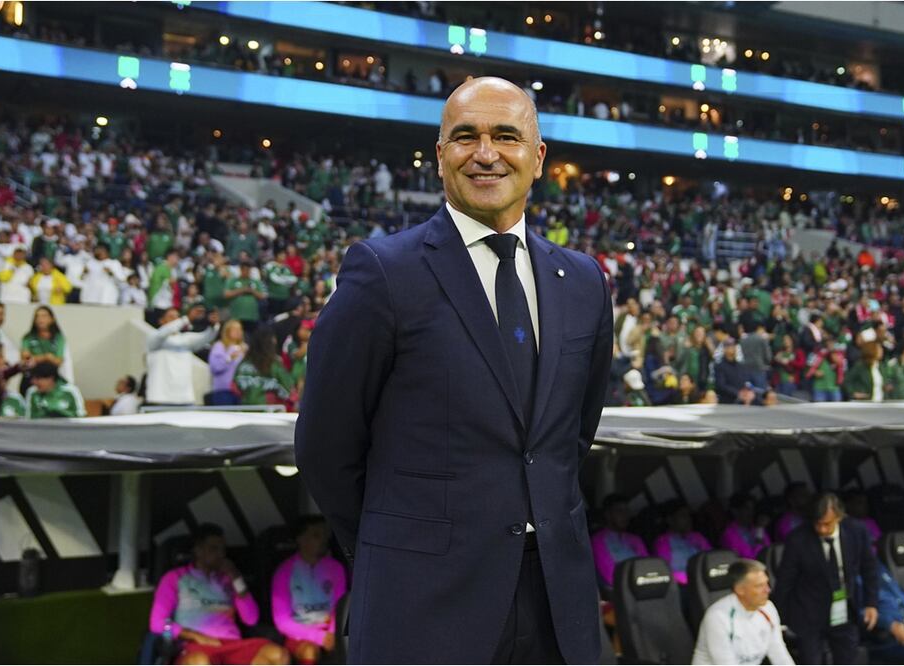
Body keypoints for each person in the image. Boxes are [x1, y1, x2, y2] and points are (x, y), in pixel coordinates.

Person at [295, 77, 613, 664]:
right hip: (422, 603)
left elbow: (570, 438)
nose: (486, 153)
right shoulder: (383, 272)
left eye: (506, 136)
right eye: (466, 137)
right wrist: (396, 550)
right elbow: (325, 446)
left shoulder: (584, 281)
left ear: (538, 157)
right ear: (440, 156)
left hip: (556, 603)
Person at [149, 523, 288, 666]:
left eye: (222, 549)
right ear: (198, 550)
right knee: (200, 662)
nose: (220, 555)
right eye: (214, 549)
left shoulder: (228, 580)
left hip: (231, 644)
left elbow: (251, 619)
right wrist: (194, 636)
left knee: (277, 654)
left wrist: (236, 578)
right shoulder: (175, 578)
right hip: (196, 645)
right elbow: (157, 623)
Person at [772, 493, 879, 665]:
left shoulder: (856, 531)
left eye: (827, 524)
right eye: (818, 523)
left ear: (839, 517)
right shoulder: (798, 538)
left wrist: (871, 603)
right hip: (808, 613)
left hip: (844, 609)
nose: (821, 529)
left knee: (848, 659)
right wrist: (780, 619)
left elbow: (869, 569)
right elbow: (785, 580)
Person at [271, 516, 348, 665]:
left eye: (325, 535)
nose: (323, 540)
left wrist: (332, 633)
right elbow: (282, 621)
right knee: (309, 651)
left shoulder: (336, 568)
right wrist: (319, 637)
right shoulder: (284, 572)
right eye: (316, 535)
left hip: (332, 633)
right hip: (300, 635)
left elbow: (340, 608)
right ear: (301, 539)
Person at [692, 559, 794, 665]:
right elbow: (725, 662)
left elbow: (778, 651)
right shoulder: (717, 617)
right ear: (740, 590)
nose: (768, 590)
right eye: (759, 586)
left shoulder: (768, 608)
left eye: (766, 583)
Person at [144, 305, 220, 405]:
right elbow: (162, 333)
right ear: (161, 321)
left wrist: (213, 325)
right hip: (160, 398)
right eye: (171, 317)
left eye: (177, 317)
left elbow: (207, 337)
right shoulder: (153, 337)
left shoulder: (186, 339)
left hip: (185, 398)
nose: (176, 320)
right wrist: (186, 319)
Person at [590, 494, 649, 589]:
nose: (625, 515)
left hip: (643, 586)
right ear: (608, 515)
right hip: (617, 591)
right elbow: (610, 576)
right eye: (619, 511)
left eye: (627, 511)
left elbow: (648, 566)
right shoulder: (598, 540)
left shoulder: (635, 539)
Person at [232, 327, 294, 407]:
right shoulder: (274, 365)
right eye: (273, 339)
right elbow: (289, 390)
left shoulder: (244, 363)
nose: (275, 341)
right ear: (269, 342)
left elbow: (234, 387)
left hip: (245, 409)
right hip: (268, 410)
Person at [652, 501, 711, 585]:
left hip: (706, 580)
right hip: (681, 585)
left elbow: (711, 558)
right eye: (683, 516)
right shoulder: (663, 542)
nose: (688, 520)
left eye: (689, 516)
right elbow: (664, 571)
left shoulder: (698, 537)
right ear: (670, 520)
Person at [21, 305, 69, 382]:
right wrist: (47, 357)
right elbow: (26, 360)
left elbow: (58, 361)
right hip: (32, 376)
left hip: (52, 377)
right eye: (37, 316)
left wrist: (36, 358)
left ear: (52, 319)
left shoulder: (59, 338)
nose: (40, 319)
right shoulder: (28, 338)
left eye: (44, 316)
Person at [206, 320, 246, 406]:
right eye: (235, 329)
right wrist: (229, 358)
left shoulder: (244, 348)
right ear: (227, 331)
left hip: (241, 391)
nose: (238, 332)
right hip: (223, 391)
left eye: (240, 329)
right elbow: (215, 368)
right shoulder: (219, 346)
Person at [721, 492, 771, 559]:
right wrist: (759, 533)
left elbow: (769, 551)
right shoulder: (729, 535)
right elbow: (750, 559)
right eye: (747, 509)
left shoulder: (757, 528)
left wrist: (759, 529)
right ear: (735, 511)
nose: (751, 512)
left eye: (752, 509)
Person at [224, 261, 266, 336]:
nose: (246, 272)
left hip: (252, 316)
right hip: (236, 315)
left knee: (251, 336)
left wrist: (252, 291)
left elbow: (262, 296)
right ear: (241, 270)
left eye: (248, 270)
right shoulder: (233, 281)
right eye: (244, 269)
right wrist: (242, 290)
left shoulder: (255, 282)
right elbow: (226, 294)